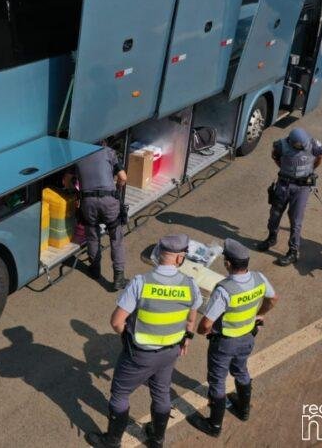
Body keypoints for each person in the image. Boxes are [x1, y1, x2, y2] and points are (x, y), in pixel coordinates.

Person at [86, 234, 202, 448]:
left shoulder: (141, 283)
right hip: (170, 353)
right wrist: (187, 338)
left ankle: (112, 440)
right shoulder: (190, 285)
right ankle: (157, 439)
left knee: (120, 394)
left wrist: (126, 335)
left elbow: (116, 321)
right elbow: (191, 319)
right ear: (180, 258)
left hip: (140, 354)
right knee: (161, 392)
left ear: (159, 253)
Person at [188, 239, 277, 437]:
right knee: (241, 370)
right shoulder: (259, 278)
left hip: (225, 342)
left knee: (217, 380)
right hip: (247, 337)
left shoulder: (224, 289)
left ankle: (214, 425)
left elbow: (206, 324)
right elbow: (273, 298)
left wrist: (203, 332)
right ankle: (243, 410)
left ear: (228, 263)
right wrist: (259, 315)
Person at [256, 127, 322, 266]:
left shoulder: (314, 145)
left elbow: (321, 156)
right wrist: (286, 171)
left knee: (296, 220)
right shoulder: (281, 145)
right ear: (292, 142)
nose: (303, 148)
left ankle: (293, 252)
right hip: (283, 185)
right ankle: (271, 238)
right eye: (299, 146)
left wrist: (311, 169)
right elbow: (275, 157)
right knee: (275, 214)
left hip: (302, 188)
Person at [74, 143, 128, 290]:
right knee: (116, 239)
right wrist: (117, 190)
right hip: (109, 201)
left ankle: (95, 269)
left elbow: (67, 180)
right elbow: (123, 177)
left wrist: (77, 194)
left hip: (88, 203)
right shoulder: (108, 152)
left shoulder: (77, 155)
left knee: (92, 236)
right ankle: (118, 278)